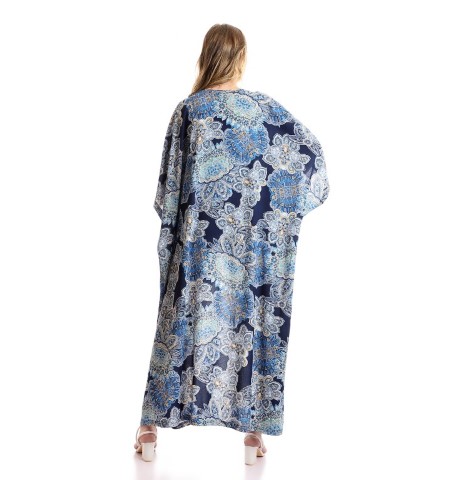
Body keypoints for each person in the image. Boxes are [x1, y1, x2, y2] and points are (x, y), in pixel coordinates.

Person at [134, 23, 330, 465]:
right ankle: (253, 434)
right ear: (240, 58)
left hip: (198, 245)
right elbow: (310, 158)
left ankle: (149, 428)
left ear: (205, 56)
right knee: (253, 323)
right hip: (254, 250)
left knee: (177, 325)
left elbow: (169, 191)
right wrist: (272, 216)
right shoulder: (265, 109)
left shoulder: (189, 111)